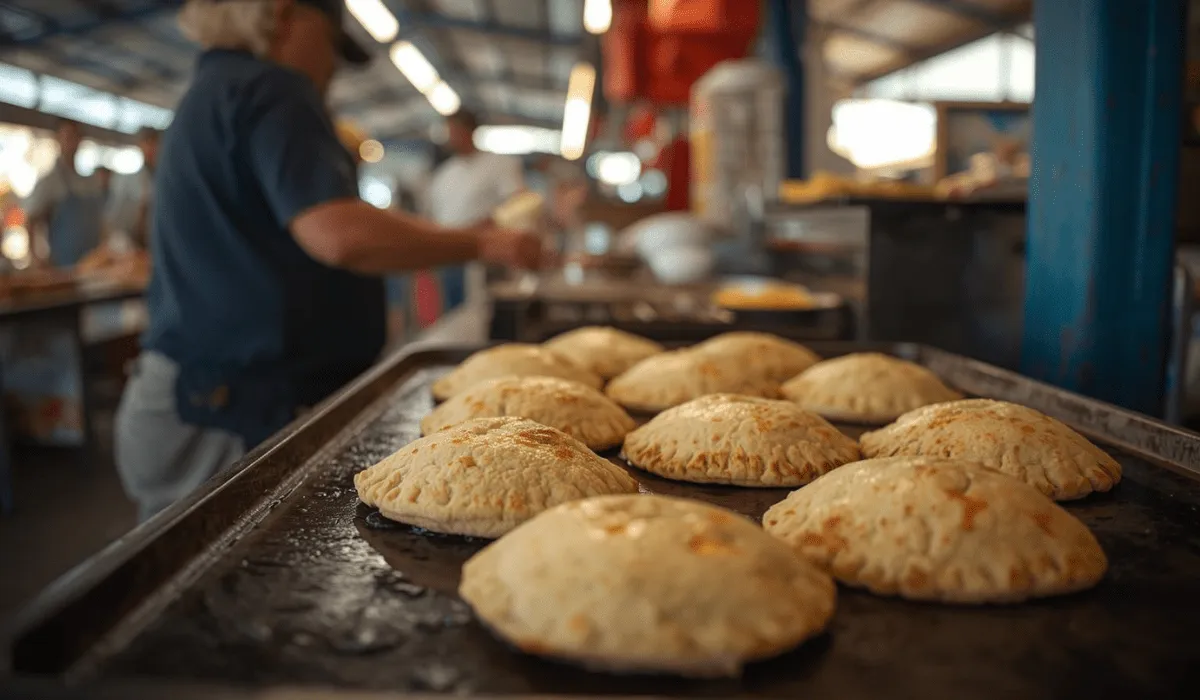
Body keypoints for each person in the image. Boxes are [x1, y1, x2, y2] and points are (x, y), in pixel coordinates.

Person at [115, 0, 542, 521]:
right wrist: (483, 245)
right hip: (222, 407)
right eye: (331, 45)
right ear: (283, 15)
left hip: (198, 397)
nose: (332, 68)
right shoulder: (271, 87)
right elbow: (338, 234)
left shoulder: (216, 91)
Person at [426, 109, 525, 310]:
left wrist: (487, 225)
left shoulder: (499, 164)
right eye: (449, 131)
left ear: (471, 131)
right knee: (454, 313)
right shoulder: (444, 174)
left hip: (485, 259)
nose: (452, 137)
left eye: (456, 130)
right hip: (449, 257)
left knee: (485, 311)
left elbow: (518, 203)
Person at [23, 119, 106, 267]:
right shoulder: (50, 181)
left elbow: (100, 223)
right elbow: (31, 221)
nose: (71, 143)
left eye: (75, 137)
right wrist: (36, 258)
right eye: (67, 137)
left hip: (94, 265)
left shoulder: (89, 182)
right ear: (58, 139)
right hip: (63, 267)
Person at [105, 128, 160, 251]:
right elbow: (113, 217)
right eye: (147, 143)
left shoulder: (164, 180)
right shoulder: (127, 181)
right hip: (131, 245)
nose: (151, 149)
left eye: (154, 143)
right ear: (140, 145)